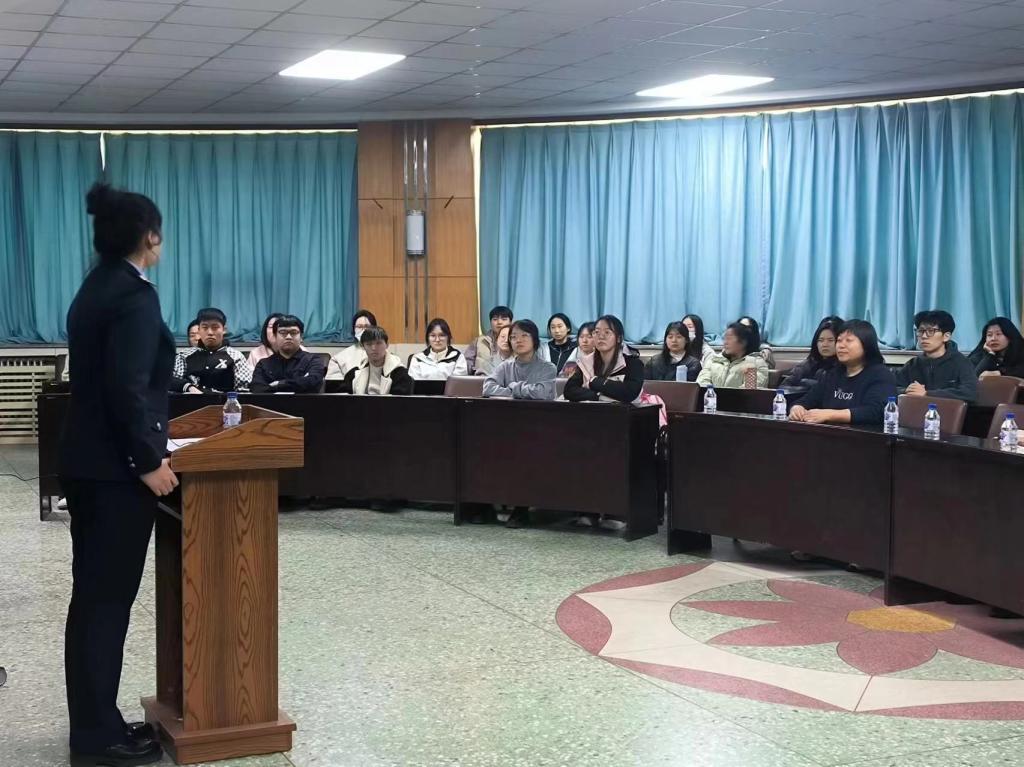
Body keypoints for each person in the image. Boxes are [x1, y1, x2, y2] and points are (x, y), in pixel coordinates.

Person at [58, 183, 174, 766]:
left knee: (92, 601)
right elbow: (127, 388)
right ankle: (97, 737)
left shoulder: (95, 285)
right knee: (106, 604)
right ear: (149, 236)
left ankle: (94, 721)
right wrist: (148, 461)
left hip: (85, 464)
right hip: (115, 473)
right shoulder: (134, 294)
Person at [790, 319, 898, 425]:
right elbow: (807, 400)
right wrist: (797, 408)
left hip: (863, 434)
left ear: (866, 345)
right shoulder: (833, 374)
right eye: (839, 340)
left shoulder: (881, 375)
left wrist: (830, 414)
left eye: (848, 340)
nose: (841, 345)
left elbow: (877, 411)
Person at [894, 310, 977, 402]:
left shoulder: (962, 363)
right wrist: (906, 390)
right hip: (917, 409)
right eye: (921, 331)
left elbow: (970, 392)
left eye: (931, 331)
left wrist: (927, 394)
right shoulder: (913, 364)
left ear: (946, 336)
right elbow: (891, 387)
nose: (924, 336)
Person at [565, 314, 644, 403]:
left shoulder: (633, 363)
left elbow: (629, 393)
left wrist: (595, 382)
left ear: (619, 338)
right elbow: (569, 391)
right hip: (592, 410)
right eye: (597, 332)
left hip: (623, 411)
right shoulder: (586, 362)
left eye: (607, 332)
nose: (601, 337)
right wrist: (597, 395)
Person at [171, 307, 252, 394]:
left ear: (224, 330)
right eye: (205, 327)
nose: (210, 332)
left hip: (224, 401)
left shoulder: (236, 356)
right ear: (199, 330)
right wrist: (188, 387)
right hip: (190, 401)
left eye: (215, 327)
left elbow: (244, 391)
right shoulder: (184, 356)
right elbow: (170, 381)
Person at [483, 319, 557, 401]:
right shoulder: (505, 366)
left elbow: (540, 393)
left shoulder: (548, 368)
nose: (518, 340)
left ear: (534, 339)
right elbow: (488, 389)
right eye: (513, 337)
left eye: (524, 335)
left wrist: (513, 386)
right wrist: (514, 391)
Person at [250, 315, 326, 393]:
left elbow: (312, 383)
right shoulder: (263, 364)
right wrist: (299, 383)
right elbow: (257, 388)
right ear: (275, 336)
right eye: (283, 332)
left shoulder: (313, 361)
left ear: (301, 337)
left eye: (294, 332)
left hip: (304, 401)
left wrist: (279, 384)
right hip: (270, 401)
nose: (288, 337)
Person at [335, 326, 414, 395]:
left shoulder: (400, 373)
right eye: (369, 344)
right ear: (363, 347)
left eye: (378, 343)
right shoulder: (354, 374)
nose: (374, 348)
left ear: (387, 344)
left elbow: (400, 403)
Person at [697, 322, 769, 388]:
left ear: (743, 342)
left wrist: (750, 373)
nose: (725, 342)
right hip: (711, 397)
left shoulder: (757, 363)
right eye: (724, 338)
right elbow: (701, 383)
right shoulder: (714, 360)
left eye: (729, 338)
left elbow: (750, 392)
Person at [781, 316, 843, 388]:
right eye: (821, 340)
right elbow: (783, 387)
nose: (825, 345)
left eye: (830, 340)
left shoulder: (844, 367)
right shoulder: (808, 364)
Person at [326, 309, 377, 380]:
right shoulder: (339, 358)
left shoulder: (387, 356)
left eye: (367, 326)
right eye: (359, 327)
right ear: (354, 329)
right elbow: (333, 384)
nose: (363, 330)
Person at [468, 305, 513, 375]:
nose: (499, 322)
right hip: (481, 378)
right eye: (495, 319)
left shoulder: (516, 341)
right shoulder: (479, 341)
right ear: (490, 322)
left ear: (510, 322)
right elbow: (467, 363)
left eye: (504, 319)